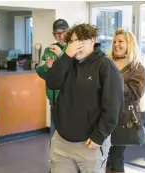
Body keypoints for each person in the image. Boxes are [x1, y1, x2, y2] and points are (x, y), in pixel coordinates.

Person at [45, 24, 124, 173]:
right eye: (72, 42)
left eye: (80, 40)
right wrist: (66, 56)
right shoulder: (67, 62)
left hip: (89, 143)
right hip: (62, 140)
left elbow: (114, 106)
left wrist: (99, 136)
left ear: (92, 40)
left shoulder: (105, 66)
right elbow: (52, 82)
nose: (76, 46)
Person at [106, 29, 145, 173]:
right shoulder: (106, 63)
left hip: (123, 120)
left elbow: (135, 92)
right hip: (103, 118)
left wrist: (111, 87)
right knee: (103, 157)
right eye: (114, 41)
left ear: (129, 44)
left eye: (120, 41)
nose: (116, 44)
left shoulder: (137, 67)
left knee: (116, 156)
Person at [36, 19, 69, 138]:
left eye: (63, 32)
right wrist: (47, 68)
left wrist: (57, 64)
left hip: (69, 98)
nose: (60, 36)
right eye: (57, 33)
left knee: (68, 134)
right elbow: (40, 72)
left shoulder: (72, 49)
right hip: (54, 98)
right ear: (53, 34)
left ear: (68, 32)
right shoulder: (49, 50)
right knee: (54, 135)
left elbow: (71, 71)